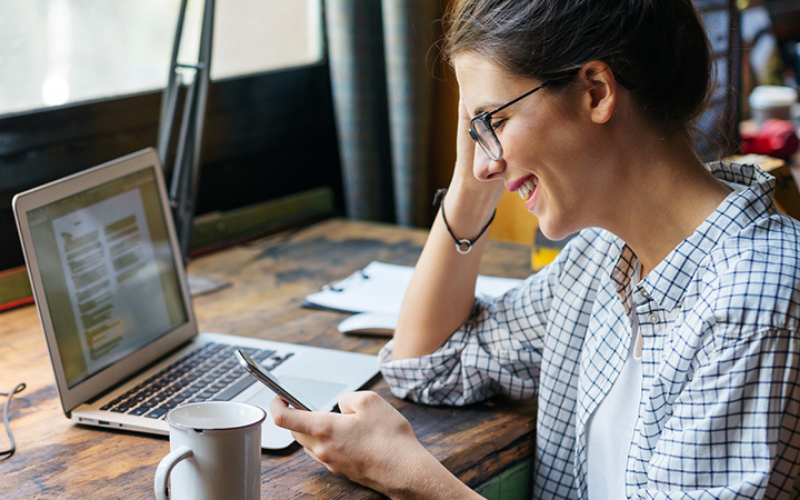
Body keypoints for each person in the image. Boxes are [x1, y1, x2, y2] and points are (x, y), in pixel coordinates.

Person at [271, 0, 800, 498]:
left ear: (595, 91)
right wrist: (468, 186)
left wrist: (413, 478)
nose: (483, 161)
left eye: (494, 122)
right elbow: (430, 363)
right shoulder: (604, 257)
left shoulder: (753, 302)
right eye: (475, 130)